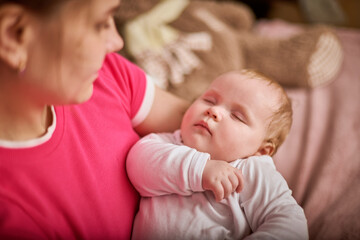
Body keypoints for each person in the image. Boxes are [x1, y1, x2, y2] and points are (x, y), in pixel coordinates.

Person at [0, 0, 190, 239]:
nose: (117, 42)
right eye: (101, 24)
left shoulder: (98, 74)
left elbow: (206, 120)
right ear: (14, 35)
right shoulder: (13, 218)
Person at [126, 70, 309, 239]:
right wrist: (199, 169)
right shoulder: (168, 143)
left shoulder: (251, 169)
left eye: (237, 116)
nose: (214, 111)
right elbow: (137, 165)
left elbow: (291, 224)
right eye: (209, 100)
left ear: (261, 150)